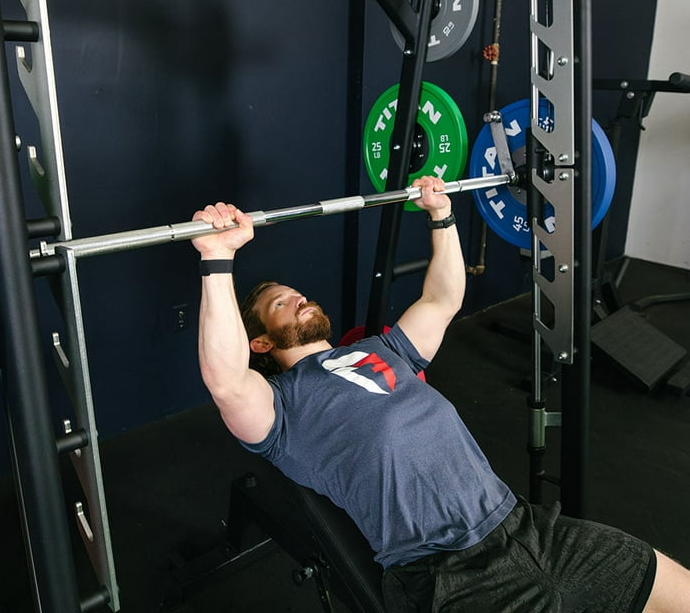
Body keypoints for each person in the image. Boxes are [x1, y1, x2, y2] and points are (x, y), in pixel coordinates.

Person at [191, 175, 690, 613]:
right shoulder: (281, 410)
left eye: (298, 293)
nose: (299, 298)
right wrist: (218, 258)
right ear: (260, 341)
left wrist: (442, 213)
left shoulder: (383, 349)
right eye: (281, 303)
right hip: (450, 576)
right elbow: (226, 380)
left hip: (530, 527)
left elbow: (443, 298)